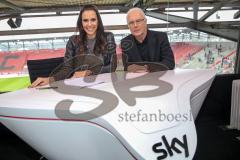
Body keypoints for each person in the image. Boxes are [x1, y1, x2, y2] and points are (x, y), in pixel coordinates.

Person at [30, 5, 117, 87]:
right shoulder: (73, 41)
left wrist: (89, 72)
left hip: (104, 85)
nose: (89, 24)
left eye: (93, 20)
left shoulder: (108, 37)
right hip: (81, 86)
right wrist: (50, 79)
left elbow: (112, 66)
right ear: (81, 23)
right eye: (85, 20)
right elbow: (67, 69)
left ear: (98, 21)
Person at [121, 7, 175, 73]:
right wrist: (128, 68)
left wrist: (148, 68)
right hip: (138, 81)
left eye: (138, 21)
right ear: (128, 26)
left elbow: (170, 63)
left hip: (159, 78)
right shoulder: (125, 42)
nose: (135, 25)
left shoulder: (161, 37)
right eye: (131, 23)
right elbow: (126, 66)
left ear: (145, 21)